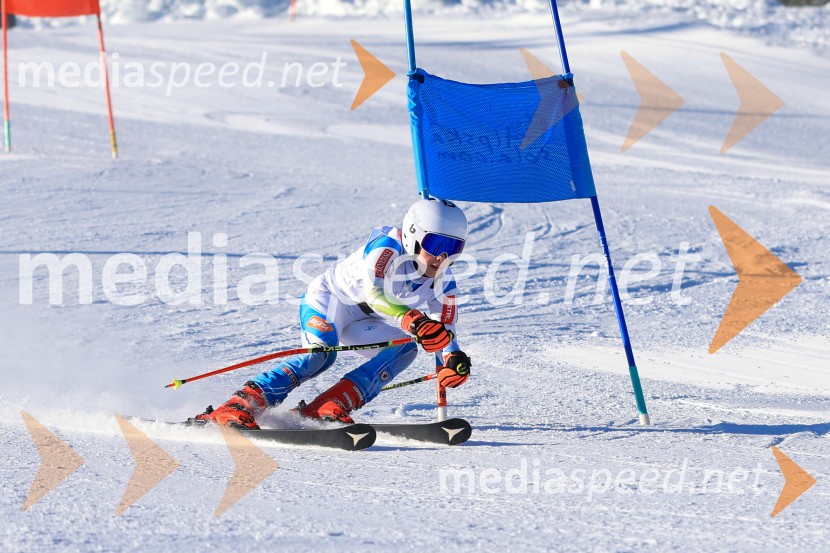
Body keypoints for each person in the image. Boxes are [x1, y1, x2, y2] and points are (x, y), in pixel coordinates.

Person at [192, 198, 473, 428]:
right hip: (330, 300)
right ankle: (240, 405)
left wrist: (452, 358)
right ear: (413, 235)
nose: (442, 256)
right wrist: (412, 318)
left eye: (453, 248)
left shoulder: (444, 281)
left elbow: (445, 331)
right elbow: (375, 294)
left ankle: (329, 405)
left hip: (365, 320)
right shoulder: (387, 248)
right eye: (437, 244)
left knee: (406, 348)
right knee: (320, 355)